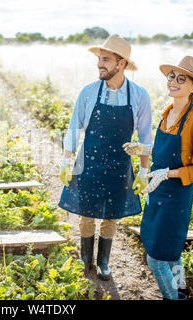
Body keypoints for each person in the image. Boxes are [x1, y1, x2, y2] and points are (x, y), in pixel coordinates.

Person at [58, 35, 152, 280]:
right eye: (99, 59)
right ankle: (85, 259)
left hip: (119, 166)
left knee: (111, 215)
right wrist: (66, 162)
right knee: (86, 213)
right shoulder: (89, 92)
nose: (100, 64)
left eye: (106, 60)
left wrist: (143, 171)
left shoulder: (139, 96)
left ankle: (104, 262)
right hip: (88, 161)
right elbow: (73, 128)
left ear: (121, 63)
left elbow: (144, 139)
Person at [125, 56, 193, 300]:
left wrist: (168, 174)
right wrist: (146, 149)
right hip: (158, 191)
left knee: (155, 259)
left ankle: (172, 297)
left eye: (181, 78)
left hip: (176, 197)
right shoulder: (168, 112)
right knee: (170, 252)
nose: (173, 82)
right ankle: (181, 289)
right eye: (171, 77)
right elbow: (168, 150)